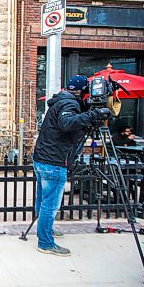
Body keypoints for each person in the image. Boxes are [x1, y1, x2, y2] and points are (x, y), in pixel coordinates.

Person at [32, 75, 110, 257]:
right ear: (83, 91)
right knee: (49, 205)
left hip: (43, 159)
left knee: (43, 200)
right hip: (53, 162)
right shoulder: (69, 104)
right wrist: (94, 114)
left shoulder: (60, 101)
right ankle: (45, 242)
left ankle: (45, 231)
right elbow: (66, 123)